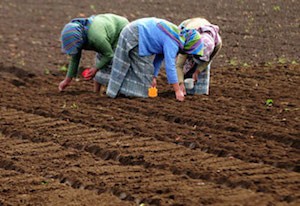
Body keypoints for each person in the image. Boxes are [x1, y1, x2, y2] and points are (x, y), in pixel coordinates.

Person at [106, 17, 204, 101]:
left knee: (144, 71)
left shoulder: (176, 36)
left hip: (134, 31)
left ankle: (121, 92)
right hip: (135, 33)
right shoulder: (173, 42)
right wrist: (177, 90)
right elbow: (170, 67)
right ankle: (130, 95)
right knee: (144, 71)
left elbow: (159, 57)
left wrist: (154, 76)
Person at [58, 13, 129, 94]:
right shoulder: (79, 38)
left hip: (119, 28)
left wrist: (96, 68)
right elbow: (75, 58)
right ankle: (96, 92)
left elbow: (109, 54)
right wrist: (67, 80)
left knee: (112, 62)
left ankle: (114, 91)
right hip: (103, 27)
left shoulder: (95, 38)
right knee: (100, 60)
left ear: (81, 40)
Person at [176, 17, 222, 95]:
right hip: (187, 30)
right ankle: (183, 88)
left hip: (200, 38)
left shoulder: (217, 44)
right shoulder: (187, 38)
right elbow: (179, 65)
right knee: (184, 66)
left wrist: (197, 71)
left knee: (201, 69)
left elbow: (208, 60)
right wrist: (180, 83)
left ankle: (199, 93)